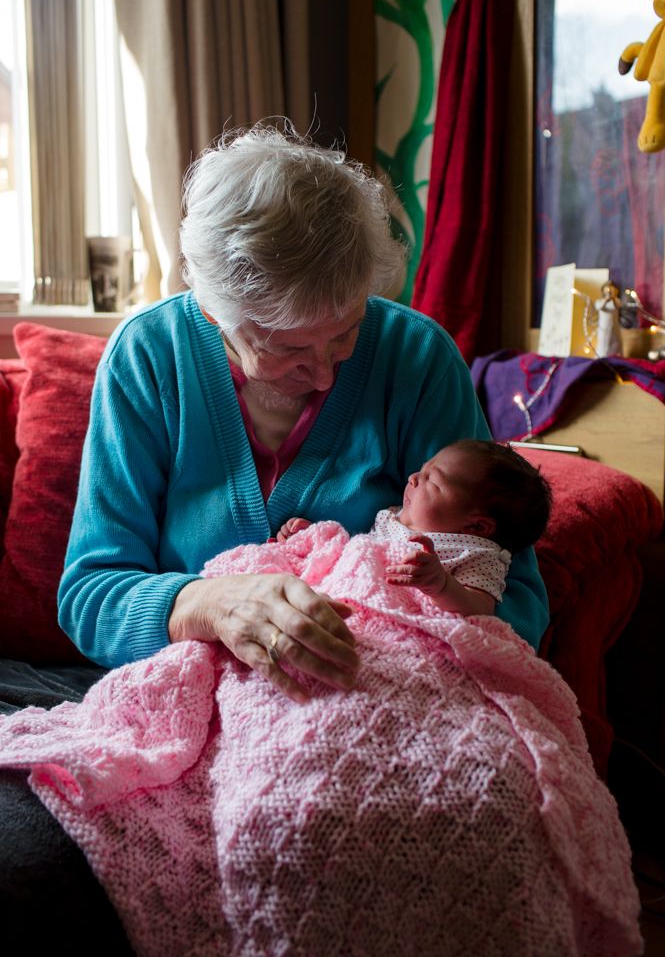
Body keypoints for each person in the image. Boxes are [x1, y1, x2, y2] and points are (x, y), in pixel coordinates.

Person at [0, 121, 550, 948]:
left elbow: (519, 601)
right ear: (217, 312)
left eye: (345, 334)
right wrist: (212, 604)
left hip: (378, 709)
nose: (327, 373)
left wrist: (430, 591)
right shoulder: (149, 359)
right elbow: (90, 592)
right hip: (187, 706)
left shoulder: (416, 359)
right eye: (290, 348)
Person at [277, 438, 553, 618]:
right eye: (422, 469)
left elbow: (481, 607)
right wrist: (314, 538)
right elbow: (354, 555)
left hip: (403, 620)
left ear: (477, 525)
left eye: (433, 481)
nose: (413, 478)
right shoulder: (393, 517)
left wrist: (442, 585)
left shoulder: (477, 553)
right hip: (352, 598)